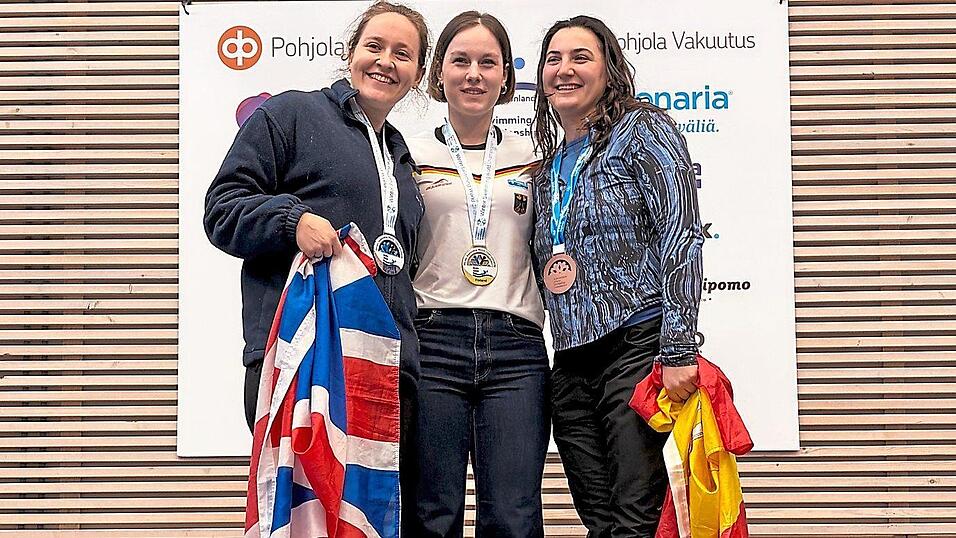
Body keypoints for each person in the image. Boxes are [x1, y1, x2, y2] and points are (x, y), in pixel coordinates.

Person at [202, 1, 428, 531]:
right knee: (303, 522)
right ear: (350, 53)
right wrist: (292, 220)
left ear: (418, 74)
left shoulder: (401, 157)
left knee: (371, 524)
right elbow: (222, 209)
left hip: (384, 370)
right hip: (304, 358)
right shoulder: (291, 115)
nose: (386, 61)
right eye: (374, 46)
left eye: (403, 54)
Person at [530, 15, 704, 537]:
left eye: (580, 57)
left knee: (636, 516)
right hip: (571, 361)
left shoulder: (643, 130)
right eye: (554, 59)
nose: (565, 69)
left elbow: (681, 233)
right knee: (598, 519)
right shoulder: (547, 168)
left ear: (609, 69)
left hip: (637, 345)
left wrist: (677, 350)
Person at [404, 11, 548, 538]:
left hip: (517, 348)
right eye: (460, 60)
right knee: (430, 513)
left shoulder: (534, 156)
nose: (473, 74)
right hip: (432, 341)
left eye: (488, 62)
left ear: (506, 76)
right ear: (438, 71)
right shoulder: (408, 153)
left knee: (513, 517)